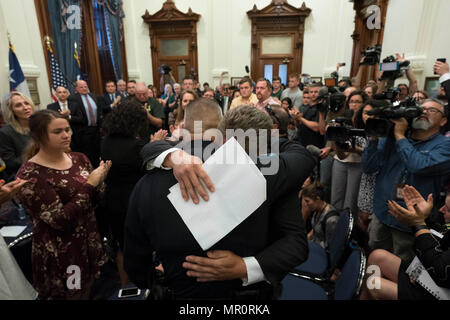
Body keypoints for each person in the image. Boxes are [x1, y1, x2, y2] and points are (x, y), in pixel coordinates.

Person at [124, 101, 313, 299]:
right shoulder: (265, 172)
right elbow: (296, 246)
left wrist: (161, 279)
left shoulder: (147, 183)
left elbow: (135, 264)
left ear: (182, 128)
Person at [16, 110, 111, 300]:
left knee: (88, 290)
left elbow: (95, 199)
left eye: (67, 129)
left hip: (87, 241)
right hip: (63, 252)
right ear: (39, 135)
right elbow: (59, 219)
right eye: (57, 131)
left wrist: (100, 182)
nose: (66, 135)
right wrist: (91, 184)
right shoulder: (31, 174)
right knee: (72, 294)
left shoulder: (78, 158)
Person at [363, 98, 450, 262]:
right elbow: (369, 167)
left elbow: (418, 165)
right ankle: (370, 285)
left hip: (410, 221)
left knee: (402, 264)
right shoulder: (395, 138)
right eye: (421, 108)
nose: (424, 111)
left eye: (432, 110)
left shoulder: (445, 145)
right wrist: (374, 138)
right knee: (374, 255)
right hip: (383, 211)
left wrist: (399, 135)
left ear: (443, 120)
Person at [361, 185, 449, 300]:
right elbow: (442, 239)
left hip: (441, 289)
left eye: (448, 209)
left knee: (374, 284)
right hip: (433, 275)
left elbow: (441, 272)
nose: (441, 209)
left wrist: (418, 224)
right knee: (377, 257)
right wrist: (423, 219)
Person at [100, 101, 149, 288]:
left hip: (112, 200)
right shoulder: (136, 147)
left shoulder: (105, 141)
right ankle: (143, 286)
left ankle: (125, 286)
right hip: (134, 201)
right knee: (140, 244)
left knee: (121, 245)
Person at [330, 91, 368, 217]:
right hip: (340, 161)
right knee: (336, 198)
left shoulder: (365, 122)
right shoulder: (341, 120)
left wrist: (355, 149)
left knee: (350, 201)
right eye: (351, 101)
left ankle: (347, 231)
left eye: (357, 102)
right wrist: (335, 138)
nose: (354, 105)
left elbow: (370, 152)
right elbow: (340, 153)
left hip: (357, 163)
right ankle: (332, 225)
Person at [68, 80, 103, 167]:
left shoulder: (94, 96)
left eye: (85, 86)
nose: (84, 88)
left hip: (96, 129)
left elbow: (99, 111)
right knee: (86, 153)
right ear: (76, 88)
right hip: (83, 130)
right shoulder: (73, 98)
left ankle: (97, 168)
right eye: (81, 87)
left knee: (97, 151)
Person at [0, 92, 35, 181]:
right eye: (18, 105)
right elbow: (10, 164)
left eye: (27, 103)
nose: (25, 107)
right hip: (24, 178)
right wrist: (36, 155)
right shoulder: (5, 133)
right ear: (11, 110)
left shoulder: (40, 125)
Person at [302, 181, 339, 249]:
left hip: (321, 252)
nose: (306, 204)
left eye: (307, 201)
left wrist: (310, 246)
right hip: (314, 245)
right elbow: (316, 230)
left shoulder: (331, 220)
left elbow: (330, 246)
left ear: (317, 198)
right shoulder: (317, 210)